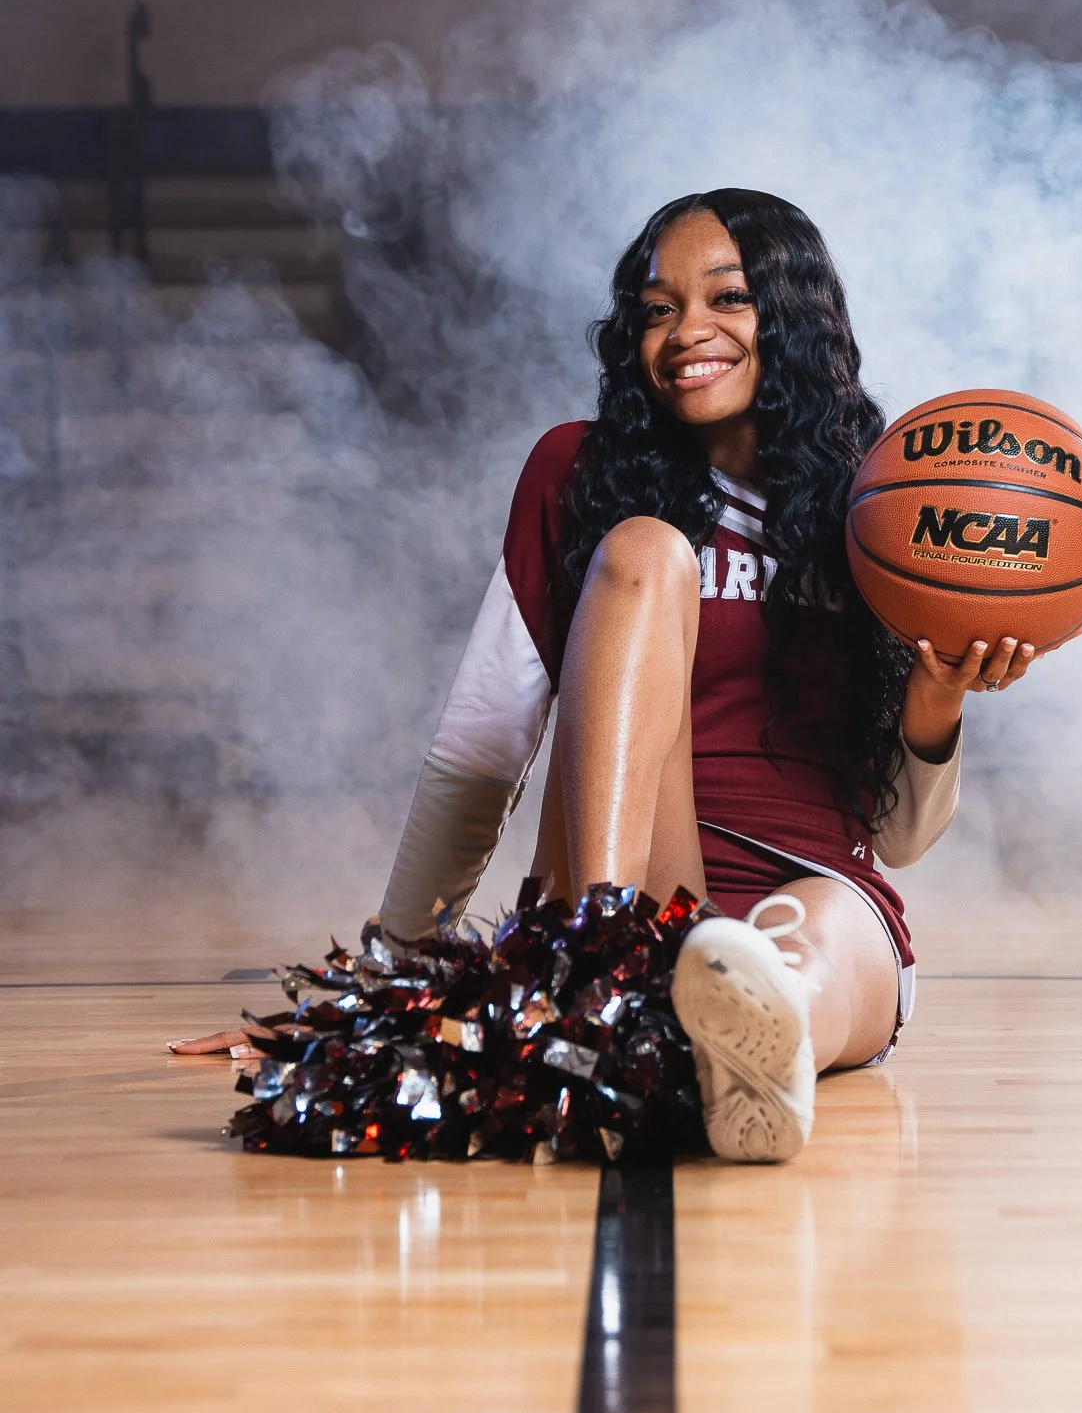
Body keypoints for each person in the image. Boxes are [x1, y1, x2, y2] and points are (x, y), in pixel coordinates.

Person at [176, 189, 1035, 1161]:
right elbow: (481, 751)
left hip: (806, 891)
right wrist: (383, 992)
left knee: (812, 934)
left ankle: (756, 1042)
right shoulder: (576, 470)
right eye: (657, 308)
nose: (686, 333)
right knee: (642, 549)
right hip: (620, 885)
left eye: (727, 299)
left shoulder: (876, 505)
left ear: (793, 316)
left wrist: (937, 705)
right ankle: (605, 987)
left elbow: (899, 839)